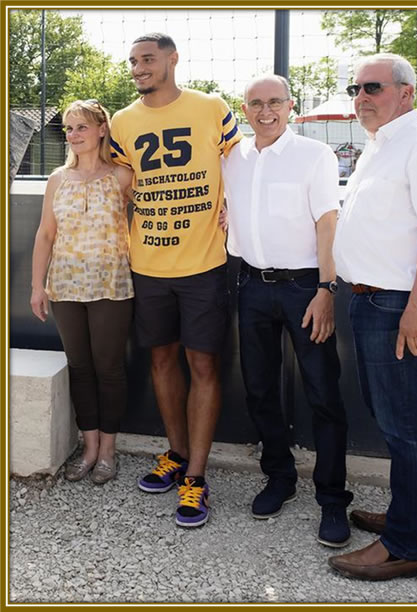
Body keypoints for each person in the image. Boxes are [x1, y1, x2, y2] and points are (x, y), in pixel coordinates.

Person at [329, 53, 417, 580]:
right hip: (373, 300)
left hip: (398, 306)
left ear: (406, 92)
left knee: (403, 427)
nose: (361, 97)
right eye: (356, 88)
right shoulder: (381, 145)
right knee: (398, 421)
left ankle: (405, 546)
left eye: (373, 87)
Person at [110, 33, 242, 528]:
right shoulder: (123, 122)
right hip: (147, 265)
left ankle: (197, 479)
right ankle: (177, 455)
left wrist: (237, 206)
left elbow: (241, 164)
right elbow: (119, 181)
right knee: (161, 359)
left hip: (203, 264)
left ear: (172, 59)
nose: (138, 68)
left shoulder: (210, 108)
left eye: (147, 59)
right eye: (133, 62)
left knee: (203, 364)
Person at [222, 75, 353, 547]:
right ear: (245, 108)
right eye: (255, 103)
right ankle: (279, 477)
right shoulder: (232, 157)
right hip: (252, 286)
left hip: (304, 288)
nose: (265, 111)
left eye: (274, 102)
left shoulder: (313, 156)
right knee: (259, 388)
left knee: (323, 393)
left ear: (291, 106)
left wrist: (326, 289)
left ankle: (333, 498)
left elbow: (327, 222)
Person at [31, 99, 134, 484]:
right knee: (80, 367)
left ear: (102, 129)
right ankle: (88, 448)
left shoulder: (123, 177)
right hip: (65, 285)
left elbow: (156, 210)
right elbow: (45, 234)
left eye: (82, 127)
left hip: (111, 285)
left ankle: (108, 451)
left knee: (109, 369)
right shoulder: (57, 179)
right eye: (69, 129)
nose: (73, 135)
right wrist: (36, 286)